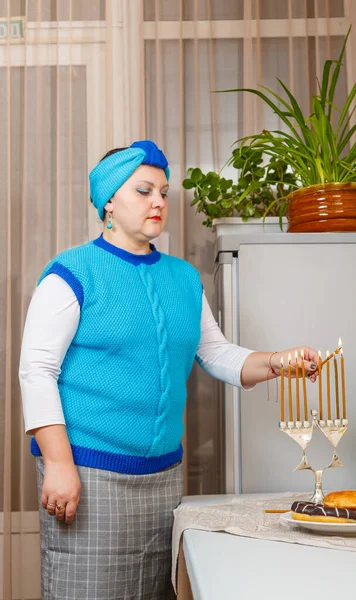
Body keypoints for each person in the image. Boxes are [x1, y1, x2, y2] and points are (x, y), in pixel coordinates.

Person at [19, 140, 319, 600]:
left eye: (163, 192)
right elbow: (36, 371)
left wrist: (279, 362)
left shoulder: (183, 278)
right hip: (89, 474)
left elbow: (216, 353)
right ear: (109, 203)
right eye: (143, 190)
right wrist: (59, 463)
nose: (159, 201)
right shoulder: (71, 273)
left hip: (164, 478)